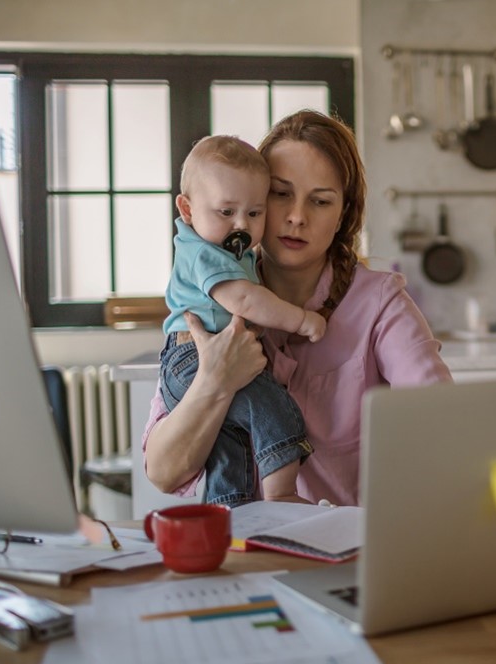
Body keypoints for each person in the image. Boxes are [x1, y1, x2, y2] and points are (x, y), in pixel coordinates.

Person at [144, 110, 453, 506]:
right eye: (280, 194)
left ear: (343, 215)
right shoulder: (209, 303)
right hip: (243, 554)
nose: (296, 217)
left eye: (320, 201)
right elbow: (164, 474)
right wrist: (214, 380)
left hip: (346, 555)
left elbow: (442, 419)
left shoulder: (380, 303)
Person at [161, 135, 326, 507]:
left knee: (230, 441)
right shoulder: (204, 254)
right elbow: (245, 299)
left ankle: (229, 509)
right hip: (192, 357)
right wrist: (301, 320)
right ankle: (282, 492)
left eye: (254, 213)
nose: (241, 225)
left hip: (203, 355)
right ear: (187, 209)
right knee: (271, 405)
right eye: (226, 212)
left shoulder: (225, 251)